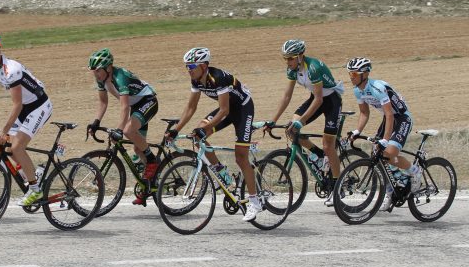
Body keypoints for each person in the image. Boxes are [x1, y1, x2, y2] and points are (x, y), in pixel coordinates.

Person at [165, 47, 261, 222]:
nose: (189, 70)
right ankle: (221, 173)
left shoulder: (217, 78)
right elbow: (191, 108)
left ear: (203, 65)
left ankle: (254, 201)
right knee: (197, 135)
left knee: (241, 157)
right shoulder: (196, 80)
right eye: (187, 66)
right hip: (227, 109)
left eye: (191, 66)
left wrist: (207, 127)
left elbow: (224, 110)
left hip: (243, 109)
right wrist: (176, 129)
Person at [0, 33, 53, 207]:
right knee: (3, 145)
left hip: (39, 106)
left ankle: (36, 190)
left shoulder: (11, 70)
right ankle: (31, 174)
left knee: (16, 146)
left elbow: (17, 105)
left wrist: (5, 130)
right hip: (25, 108)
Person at [265, 39, 345, 207]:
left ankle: (337, 187)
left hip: (330, 101)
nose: (288, 62)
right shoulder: (292, 69)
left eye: (291, 58)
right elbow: (287, 96)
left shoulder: (313, 67)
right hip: (316, 99)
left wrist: (301, 121)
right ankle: (320, 157)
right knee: (291, 129)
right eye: (285, 58)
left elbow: (319, 99)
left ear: (301, 56)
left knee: (328, 145)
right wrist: (273, 120)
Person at [345, 57, 422, 211]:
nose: (351, 77)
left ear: (364, 74)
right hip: (388, 118)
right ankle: (391, 191)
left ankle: (415, 172)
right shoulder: (357, 90)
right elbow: (364, 113)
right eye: (349, 74)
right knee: (376, 154)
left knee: (389, 153)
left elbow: (390, 115)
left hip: (401, 118)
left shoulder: (377, 88)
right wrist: (357, 131)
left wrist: (386, 139)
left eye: (354, 74)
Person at [86, 48, 159, 206]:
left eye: (98, 70)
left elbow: (124, 107)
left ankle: (153, 161)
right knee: (138, 149)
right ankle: (150, 186)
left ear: (108, 67)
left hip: (148, 102)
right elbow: (103, 102)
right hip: (136, 106)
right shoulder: (101, 78)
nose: (95, 74)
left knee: (127, 131)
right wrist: (96, 121)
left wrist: (119, 130)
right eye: (94, 71)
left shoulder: (121, 78)